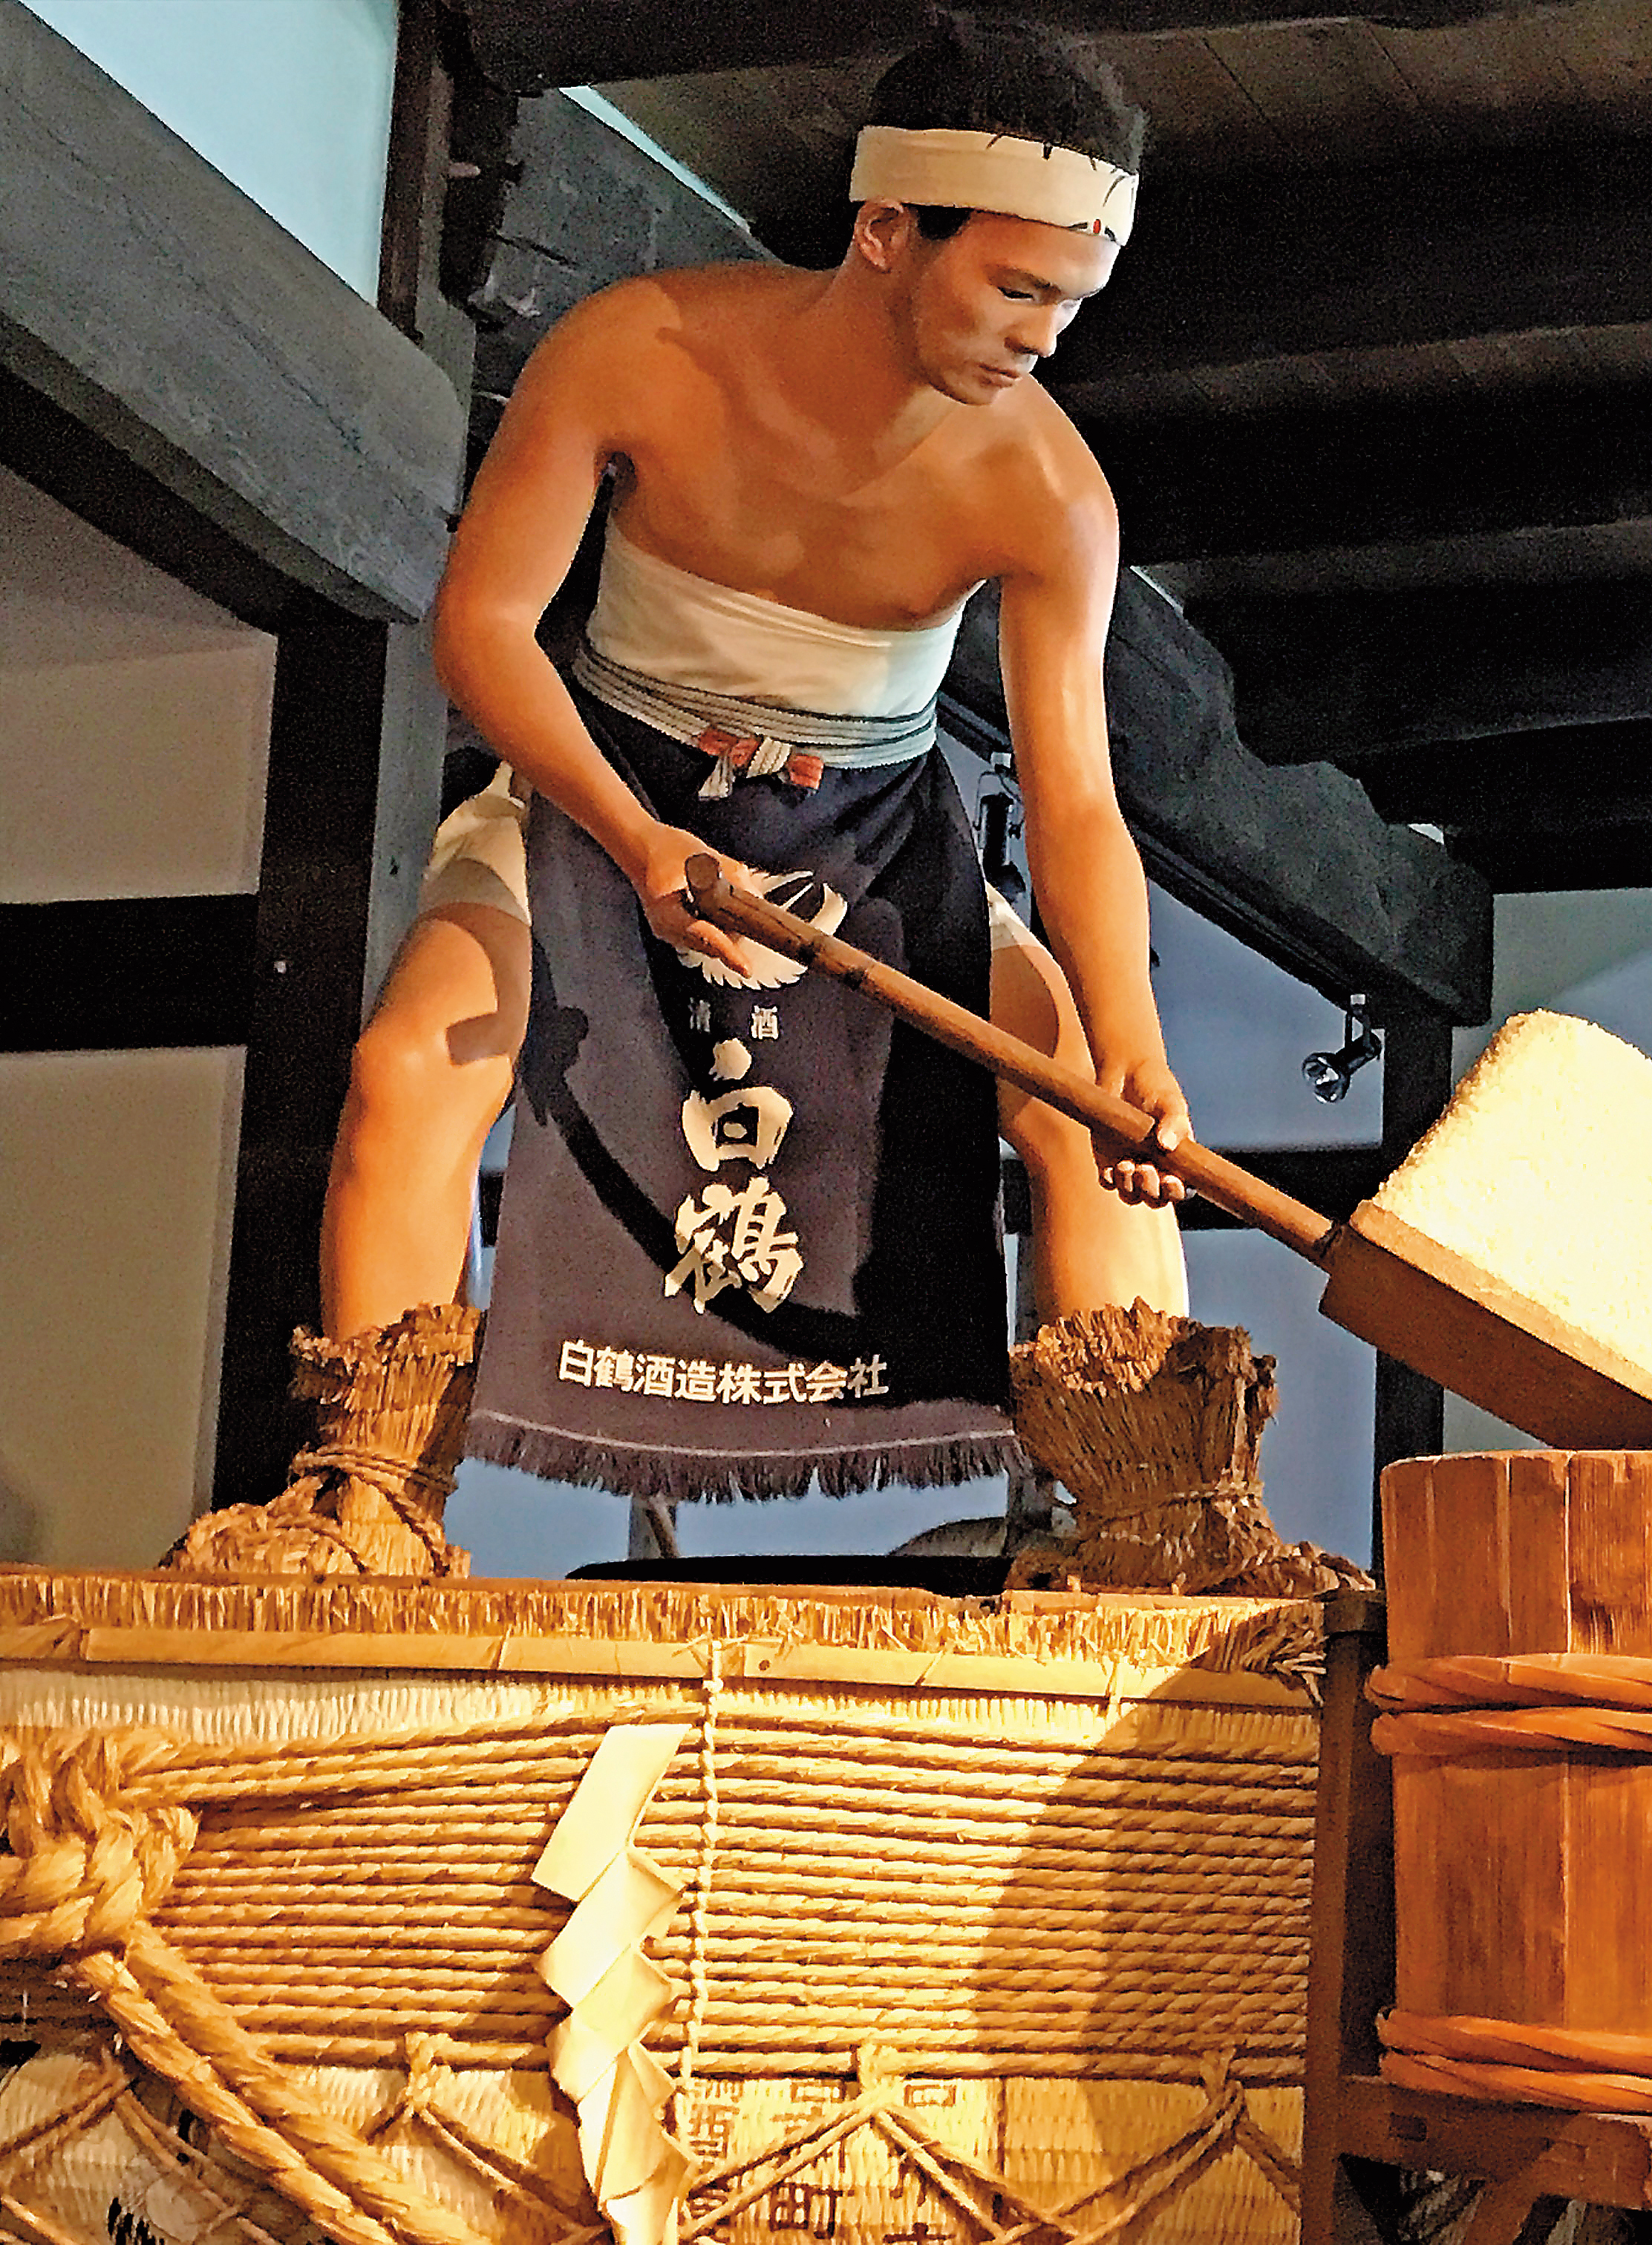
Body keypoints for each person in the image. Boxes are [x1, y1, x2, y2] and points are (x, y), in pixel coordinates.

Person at [177, 18, 1198, 1572]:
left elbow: (1074, 808)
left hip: (872, 832)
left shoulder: (1050, 490)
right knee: (406, 1067)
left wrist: (1128, 1044)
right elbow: (484, 631)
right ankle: (376, 1502)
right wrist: (641, 836)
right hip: (604, 787)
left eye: (1073, 303)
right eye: (1017, 289)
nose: (1045, 337)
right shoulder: (639, 348)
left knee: (1083, 1108)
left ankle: (1153, 1526)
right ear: (884, 230)